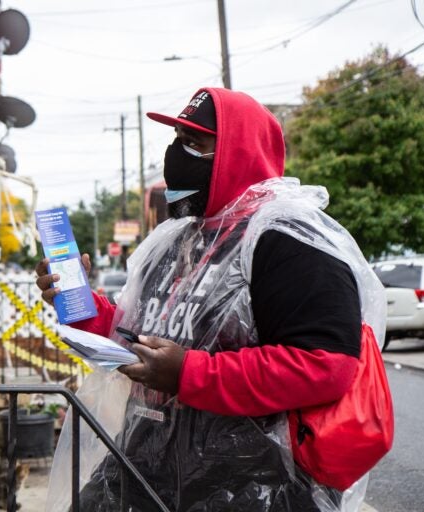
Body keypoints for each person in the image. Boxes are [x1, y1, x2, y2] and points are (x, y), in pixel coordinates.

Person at [36, 88, 387, 511]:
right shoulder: (177, 241)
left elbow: (326, 365)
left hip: (252, 486)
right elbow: (137, 336)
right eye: (175, 141)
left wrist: (187, 373)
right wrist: (81, 307)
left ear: (238, 153)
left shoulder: (287, 239)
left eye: (194, 144)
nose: (175, 157)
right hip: (147, 466)